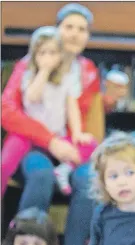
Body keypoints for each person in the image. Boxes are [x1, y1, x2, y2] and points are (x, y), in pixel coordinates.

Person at [0, 4, 119, 245]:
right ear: (57, 29)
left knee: (88, 180)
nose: (75, 34)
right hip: (35, 147)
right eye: (69, 26)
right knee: (40, 176)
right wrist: (50, 141)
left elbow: (82, 111)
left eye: (82, 29)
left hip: (69, 148)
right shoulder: (30, 63)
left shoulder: (87, 70)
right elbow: (8, 112)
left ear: (88, 36)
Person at [1, 26, 96, 197]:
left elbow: (72, 107)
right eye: (42, 53)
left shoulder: (67, 79)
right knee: (4, 163)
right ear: (34, 55)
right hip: (28, 137)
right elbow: (32, 96)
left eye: (52, 53)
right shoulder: (29, 75)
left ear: (61, 55)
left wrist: (77, 133)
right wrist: (43, 71)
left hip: (58, 134)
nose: (47, 58)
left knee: (91, 146)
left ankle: (64, 169)